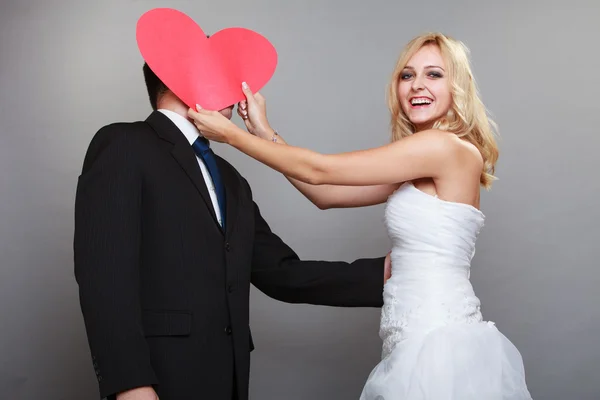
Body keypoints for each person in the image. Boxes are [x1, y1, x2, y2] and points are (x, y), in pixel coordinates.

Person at [188, 32, 533, 399]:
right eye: (407, 75)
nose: (417, 85)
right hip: (411, 332)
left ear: (457, 87)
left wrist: (232, 136)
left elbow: (320, 171)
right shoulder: (420, 158)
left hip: (437, 337)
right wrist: (263, 131)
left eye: (434, 74)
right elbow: (325, 194)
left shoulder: (443, 147)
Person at [73, 60, 392, 400]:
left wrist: (386, 276)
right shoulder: (123, 142)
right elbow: (103, 275)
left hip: (227, 379)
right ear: (182, 75)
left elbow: (282, 273)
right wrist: (129, 384)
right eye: (219, 70)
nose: (235, 84)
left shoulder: (230, 179)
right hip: (158, 378)